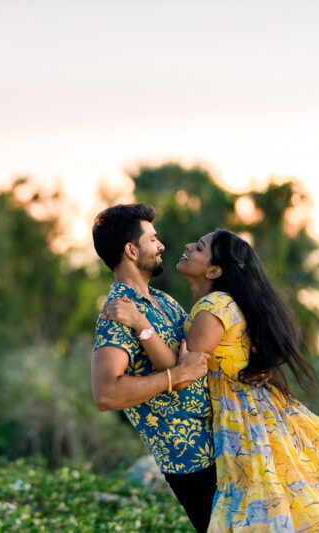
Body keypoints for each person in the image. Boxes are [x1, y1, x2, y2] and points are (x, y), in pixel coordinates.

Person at [103, 229, 319, 531]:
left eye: (199, 247)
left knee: (267, 505)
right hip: (257, 411)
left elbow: (182, 374)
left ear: (214, 270)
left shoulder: (213, 308)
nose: (187, 246)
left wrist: (140, 323)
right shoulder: (208, 306)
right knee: (296, 498)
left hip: (246, 418)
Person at [91, 203, 217, 532]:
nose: (161, 246)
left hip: (221, 443)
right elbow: (105, 394)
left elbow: (191, 363)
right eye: (153, 239)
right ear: (131, 250)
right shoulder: (117, 315)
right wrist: (175, 377)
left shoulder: (165, 302)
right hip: (190, 462)